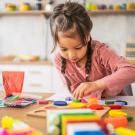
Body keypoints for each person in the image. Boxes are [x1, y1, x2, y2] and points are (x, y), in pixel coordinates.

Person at [50, 1, 135, 99]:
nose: (71, 55)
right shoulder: (59, 60)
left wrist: (97, 85)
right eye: (64, 49)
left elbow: (131, 70)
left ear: (87, 37)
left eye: (78, 47)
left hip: (115, 106)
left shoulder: (101, 52)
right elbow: (74, 91)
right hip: (88, 108)